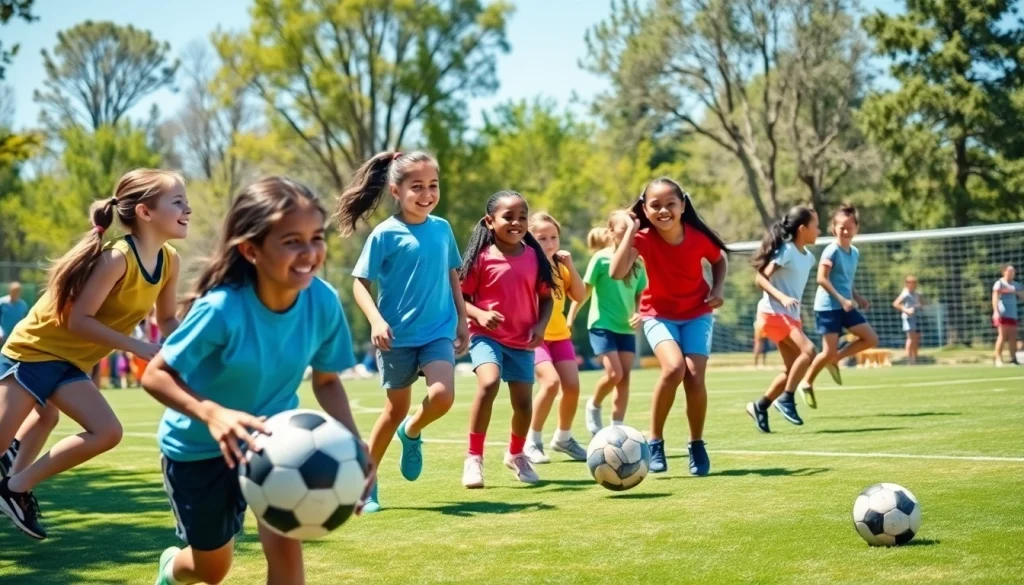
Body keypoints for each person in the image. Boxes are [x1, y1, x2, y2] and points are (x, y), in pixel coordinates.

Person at [143, 176, 373, 585]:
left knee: (286, 548)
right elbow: (156, 375)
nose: (309, 253)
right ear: (251, 250)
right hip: (198, 450)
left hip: (277, 442)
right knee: (211, 571)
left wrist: (355, 444)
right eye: (291, 241)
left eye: (316, 238)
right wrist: (213, 415)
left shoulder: (322, 302)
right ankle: (171, 569)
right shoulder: (222, 308)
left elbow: (327, 383)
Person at [0, 169, 188, 540]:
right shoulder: (117, 258)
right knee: (43, 421)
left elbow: (166, 319)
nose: (189, 209)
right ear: (146, 212)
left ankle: (14, 487)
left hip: (69, 364)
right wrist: (138, 346)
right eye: (178, 201)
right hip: (32, 353)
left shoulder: (170, 261)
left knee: (107, 432)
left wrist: (193, 353)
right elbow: (79, 322)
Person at [337, 150, 468, 513]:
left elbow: (452, 275)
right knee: (395, 409)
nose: (426, 194)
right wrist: (377, 321)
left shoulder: (442, 229)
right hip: (396, 337)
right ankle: (367, 482)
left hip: (438, 331)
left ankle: (412, 432)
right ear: (396, 190)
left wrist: (462, 319)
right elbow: (359, 285)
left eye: (433, 186)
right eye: (417, 187)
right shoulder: (384, 234)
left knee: (442, 396)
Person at [609, 178, 729, 477]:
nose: (664, 211)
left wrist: (718, 288)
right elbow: (616, 272)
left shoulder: (699, 237)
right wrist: (631, 232)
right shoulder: (644, 238)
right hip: (657, 315)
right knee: (674, 368)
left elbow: (719, 260)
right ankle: (656, 441)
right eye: (656, 206)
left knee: (694, 376)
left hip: (697, 313)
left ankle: (696, 444)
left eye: (670, 204)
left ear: (683, 206)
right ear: (645, 211)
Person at [459, 190, 555, 488]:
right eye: (508, 217)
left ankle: (516, 454)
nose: (516, 223)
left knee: (524, 405)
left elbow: (547, 298)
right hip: (486, 337)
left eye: (522, 217)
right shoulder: (481, 258)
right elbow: (459, 298)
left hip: (522, 342)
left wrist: (541, 327)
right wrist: (479, 314)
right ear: (490, 221)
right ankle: (473, 458)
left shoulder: (533, 257)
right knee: (488, 383)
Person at [569, 211, 646, 436]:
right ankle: (593, 405)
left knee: (625, 378)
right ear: (612, 232)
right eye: (626, 227)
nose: (632, 230)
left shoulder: (639, 262)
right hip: (601, 324)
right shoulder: (601, 259)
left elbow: (641, 293)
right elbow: (584, 291)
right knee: (615, 374)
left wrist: (639, 313)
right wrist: (571, 316)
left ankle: (617, 429)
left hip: (625, 327)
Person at [744, 205, 820, 433]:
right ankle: (787, 399)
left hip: (789, 316)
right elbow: (761, 278)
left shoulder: (808, 259)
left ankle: (761, 405)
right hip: (773, 313)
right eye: (816, 226)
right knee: (810, 351)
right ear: (803, 229)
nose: (819, 230)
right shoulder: (786, 251)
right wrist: (782, 297)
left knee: (791, 371)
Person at [797, 204, 878, 408]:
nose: (845, 230)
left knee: (870, 338)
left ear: (856, 228)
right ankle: (806, 383)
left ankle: (836, 359)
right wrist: (842, 299)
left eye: (849, 227)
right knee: (826, 351)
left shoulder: (855, 252)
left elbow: (846, 280)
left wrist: (857, 297)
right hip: (828, 307)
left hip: (847, 306)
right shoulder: (831, 250)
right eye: (841, 227)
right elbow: (822, 279)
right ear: (834, 228)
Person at [523, 212, 588, 464]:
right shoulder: (527, 266)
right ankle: (532, 441)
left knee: (572, 386)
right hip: (534, 337)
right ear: (529, 240)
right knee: (550, 383)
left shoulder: (561, 267)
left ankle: (563, 438)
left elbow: (579, 296)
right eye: (542, 239)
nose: (549, 244)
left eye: (553, 237)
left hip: (560, 336)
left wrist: (570, 265)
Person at [992, 264, 1022, 367]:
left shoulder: (1016, 285)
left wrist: (1016, 292)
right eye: (1010, 271)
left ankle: (1013, 358)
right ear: (1004, 272)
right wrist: (996, 311)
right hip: (1002, 314)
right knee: (1002, 336)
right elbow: (995, 297)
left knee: (1013, 337)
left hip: (1012, 314)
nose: (1012, 273)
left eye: (1013, 271)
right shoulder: (999, 283)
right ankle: (998, 358)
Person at [893, 275, 924, 364]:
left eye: (914, 283)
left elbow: (921, 303)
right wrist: (906, 310)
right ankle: (909, 359)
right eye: (911, 283)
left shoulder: (917, 293)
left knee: (916, 338)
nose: (913, 284)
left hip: (917, 317)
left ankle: (915, 358)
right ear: (907, 283)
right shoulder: (905, 293)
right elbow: (895, 304)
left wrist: (920, 306)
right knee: (910, 338)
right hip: (908, 318)